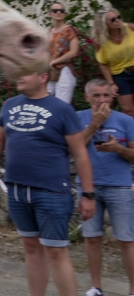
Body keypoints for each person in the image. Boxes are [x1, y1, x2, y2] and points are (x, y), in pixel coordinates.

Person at [0, 70, 96, 296]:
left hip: (51, 192)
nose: (18, 76)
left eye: (25, 73)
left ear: (43, 77)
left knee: (56, 252)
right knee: (31, 248)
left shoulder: (62, 109)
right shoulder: (10, 105)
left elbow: (80, 153)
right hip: (17, 189)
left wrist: (88, 194)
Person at [76, 78, 134, 296]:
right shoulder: (77, 118)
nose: (102, 100)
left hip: (119, 186)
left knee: (126, 239)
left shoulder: (126, 120)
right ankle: (96, 287)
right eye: (97, 95)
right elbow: (73, 148)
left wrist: (119, 149)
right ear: (87, 97)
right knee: (92, 238)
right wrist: (94, 124)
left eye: (106, 95)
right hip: (88, 187)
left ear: (113, 97)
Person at [93, 8, 134, 116]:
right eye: (113, 19)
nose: (117, 20)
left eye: (118, 17)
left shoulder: (130, 28)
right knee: (128, 109)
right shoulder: (100, 41)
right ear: (104, 24)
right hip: (120, 76)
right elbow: (103, 62)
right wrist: (111, 83)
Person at [46, 2, 79, 104]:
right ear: (50, 14)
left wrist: (54, 62)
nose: (59, 12)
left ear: (65, 13)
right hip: (52, 71)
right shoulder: (50, 31)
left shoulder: (70, 30)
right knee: (44, 101)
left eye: (62, 10)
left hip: (66, 69)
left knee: (62, 104)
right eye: (55, 11)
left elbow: (73, 52)